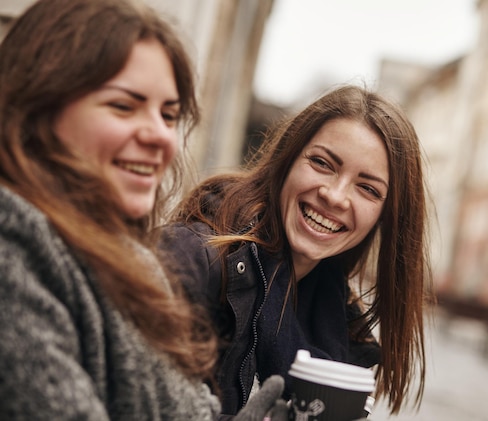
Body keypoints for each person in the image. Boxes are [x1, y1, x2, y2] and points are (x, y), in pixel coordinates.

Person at [0, 0, 287, 419]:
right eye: (123, 106)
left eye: (169, 115)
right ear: (37, 109)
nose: (160, 136)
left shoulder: (135, 263)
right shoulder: (14, 247)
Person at [158, 85, 433, 416]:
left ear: (384, 216)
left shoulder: (343, 329)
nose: (335, 196)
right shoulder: (187, 260)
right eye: (321, 163)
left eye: (367, 188)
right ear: (287, 159)